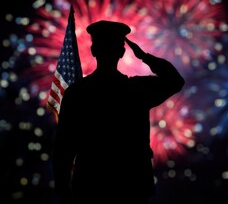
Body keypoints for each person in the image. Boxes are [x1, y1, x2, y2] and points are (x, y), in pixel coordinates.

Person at [52, 20, 185, 204]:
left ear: (93, 50)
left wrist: (63, 188)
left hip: (91, 186)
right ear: (122, 52)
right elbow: (175, 81)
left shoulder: (78, 92)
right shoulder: (137, 90)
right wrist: (144, 56)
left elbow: (64, 146)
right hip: (131, 186)